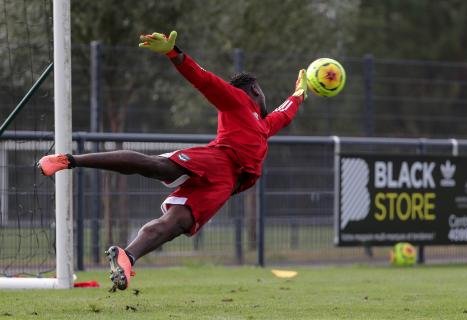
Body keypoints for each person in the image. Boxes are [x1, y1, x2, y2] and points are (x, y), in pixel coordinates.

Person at [37, 30, 308, 290]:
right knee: (156, 167)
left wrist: (298, 95)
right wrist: (174, 53)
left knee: (176, 223)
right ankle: (69, 160)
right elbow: (204, 79)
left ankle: (127, 256)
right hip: (217, 160)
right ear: (256, 92)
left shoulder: (263, 126)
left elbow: (284, 113)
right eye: (262, 93)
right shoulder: (237, 99)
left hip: (224, 185)